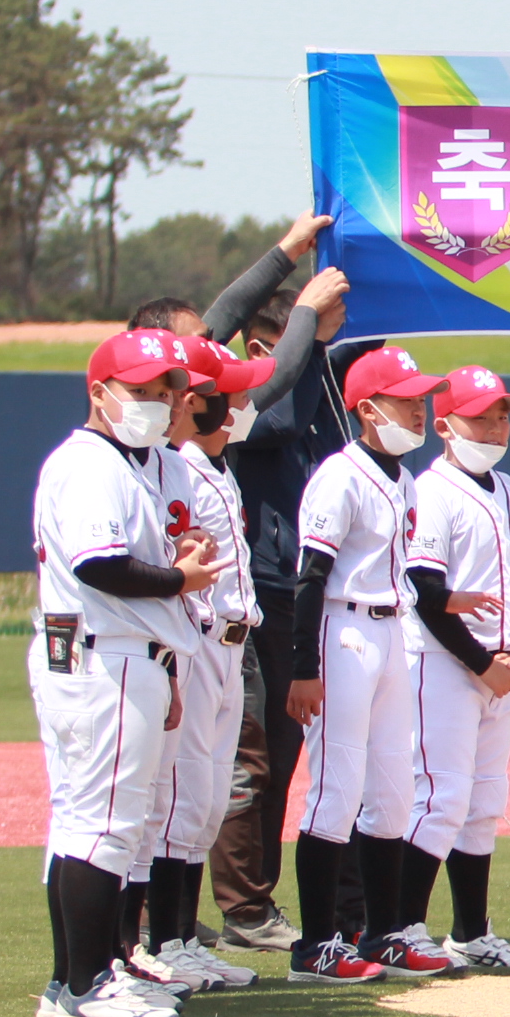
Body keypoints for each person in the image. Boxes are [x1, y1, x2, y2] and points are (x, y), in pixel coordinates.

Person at [28, 329, 223, 1017]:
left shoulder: (132, 462)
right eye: (139, 390)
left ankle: (73, 980)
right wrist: (179, 579)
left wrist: (179, 558)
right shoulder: (89, 464)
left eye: (165, 391)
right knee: (103, 826)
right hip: (101, 655)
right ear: (99, 392)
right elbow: (100, 564)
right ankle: (86, 987)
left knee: (87, 823)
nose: (156, 402)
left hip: (113, 652)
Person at [190, 216, 349, 952]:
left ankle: (213, 915)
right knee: (239, 764)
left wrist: (289, 256)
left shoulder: (214, 406)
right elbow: (275, 402)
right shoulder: (205, 415)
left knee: (270, 758)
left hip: (275, 602)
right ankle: (237, 910)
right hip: (227, 608)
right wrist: (306, 322)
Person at [286, 343, 448, 983]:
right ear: (367, 409)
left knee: (393, 791)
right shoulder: (341, 475)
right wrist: (303, 667)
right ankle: (315, 944)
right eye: (404, 400)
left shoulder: (403, 480)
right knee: (335, 788)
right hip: (342, 627)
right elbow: (309, 576)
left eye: (420, 398)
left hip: (389, 629)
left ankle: (382, 933)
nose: (418, 408)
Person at [134, 332, 274, 996]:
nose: (244, 404)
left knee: (208, 801)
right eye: (235, 394)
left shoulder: (216, 467)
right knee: (182, 800)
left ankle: (184, 941)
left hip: (231, 646)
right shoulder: (179, 466)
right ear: (198, 401)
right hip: (196, 644)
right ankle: (165, 941)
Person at [401, 364, 510, 973]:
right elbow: (425, 592)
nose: (494, 427)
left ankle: (470, 933)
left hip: (499, 668)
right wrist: (483, 663)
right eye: (480, 416)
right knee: (439, 799)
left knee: (484, 803)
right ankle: (403, 931)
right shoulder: (430, 492)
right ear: (444, 425)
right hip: (444, 664)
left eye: (501, 415)